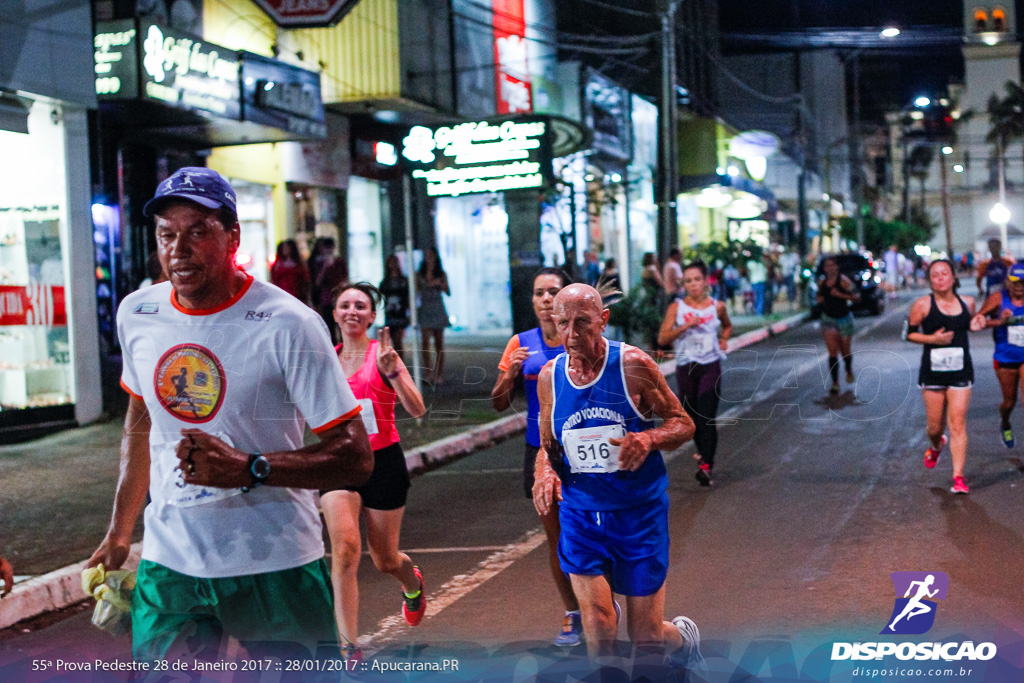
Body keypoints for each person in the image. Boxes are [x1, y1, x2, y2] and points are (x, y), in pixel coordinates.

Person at [87, 167, 374, 663]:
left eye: (198, 232)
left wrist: (249, 468)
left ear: (232, 237)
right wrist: (119, 530)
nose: (179, 248)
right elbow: (139, 421)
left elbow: (355, 457)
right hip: (170, 560)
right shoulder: (137, 313)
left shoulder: (289, 324)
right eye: (167, 235)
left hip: (275, 559)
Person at [532, 284, 704, 667]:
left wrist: (648, 438)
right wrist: (544, 473)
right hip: (581, 514)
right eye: (563, 324)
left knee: (646, 638)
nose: (573, 334)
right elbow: (548, 445)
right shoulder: (550, 377)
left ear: (603, 321)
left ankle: (683, 638)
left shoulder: (632, 366)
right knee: (599, 627)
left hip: (638, 512)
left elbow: (683, 424)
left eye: (583, 323)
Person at [322, 282, 427, 664]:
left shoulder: (383, 356)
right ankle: (349, 647)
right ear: (334, 314)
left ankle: (412, 583)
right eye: (344, 305)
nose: (352, 311)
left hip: (383, 462)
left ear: (371, 316)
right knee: (346, 550)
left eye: (360, 306)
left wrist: (394, 374)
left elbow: (417, 410)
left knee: (383, 558)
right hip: (340, 464)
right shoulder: (325, 361)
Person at [490, 268, 582, 646]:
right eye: (539, 293)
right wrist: (509, 375)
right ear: (532, 300)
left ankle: (601, 600)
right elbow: (498, 403)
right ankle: (573, 613)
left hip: (583, 445)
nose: (546, 299)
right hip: (540, 450)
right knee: (556, 537)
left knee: (592, 530)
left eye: (553, 291)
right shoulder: (520, 343)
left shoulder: (582, 338)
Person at [904, 259, 976, 495]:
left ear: (954, 277)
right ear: (930, 280)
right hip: (933, 372)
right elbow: (909, 334)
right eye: (935, 275)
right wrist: (932, 340)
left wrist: (979, 323)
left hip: (961, 371)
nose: (940, 278)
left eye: (945, 273)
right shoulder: (923, 305)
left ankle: (958, 477)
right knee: (935, 427)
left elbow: (971, 325)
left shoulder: (968, 303)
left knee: (957, 424)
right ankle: (937, 445)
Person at [658, 261, 732, 486]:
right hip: (686, 367)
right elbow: (662, 339)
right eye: (688, 281)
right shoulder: (677, 308)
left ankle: (706, 465)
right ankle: (703, 455)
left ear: (705, 280)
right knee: (692, 418)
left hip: (710, 365)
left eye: (697, 279)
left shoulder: (717, 307)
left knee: (706, 417)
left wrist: (724, 339)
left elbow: (727, 326)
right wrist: (685, 326)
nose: (693, 285)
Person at [971, 262, 1024, 448]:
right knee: (1009, 402)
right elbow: (977, 322)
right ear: (1008, 282)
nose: (1020, 287)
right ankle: (1005, 423)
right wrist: (1001, 321)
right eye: (1016, 283)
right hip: (1005, 357)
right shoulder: (998, 298)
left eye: (1023, 283)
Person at [817, 256, 858, 395]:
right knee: (832, 352)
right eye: (827, 266)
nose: (829, 268)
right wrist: (820, 299)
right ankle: (835, 383)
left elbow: (857, 297)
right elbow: (818, 297)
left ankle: (848, 369)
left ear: (837, 267)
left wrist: (841, 295)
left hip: (844, 319)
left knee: (845, 351)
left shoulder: (845, 282)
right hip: (829, 319)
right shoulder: (822, 283)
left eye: (832, 265)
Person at [418, 247, 451, 384]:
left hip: (437, 306)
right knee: (425, 342)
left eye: (431, 255)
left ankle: (439, 374)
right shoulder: (419, 274)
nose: (429, 258)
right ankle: (428, 372)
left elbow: (448, 292)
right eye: (426, 255)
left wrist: (441, 284)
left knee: (439, 342)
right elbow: (416, 291)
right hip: (426, 307)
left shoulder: (441, 273)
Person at [379, 254, 410, 358]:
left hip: (400, 313)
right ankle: (395, 365)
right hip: (389, 314)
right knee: (391, 341)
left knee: (398, 341)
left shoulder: (403, 281)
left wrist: (408, 313)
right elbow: (380, 296)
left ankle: (400, 365)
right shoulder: (385, 282)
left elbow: (407, 297)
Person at [270, 239, 310, 304]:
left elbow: (305, 280)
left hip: (297, 295)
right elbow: (274, 280)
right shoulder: (278, 264)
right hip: (282, 295)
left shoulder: (299, 264)